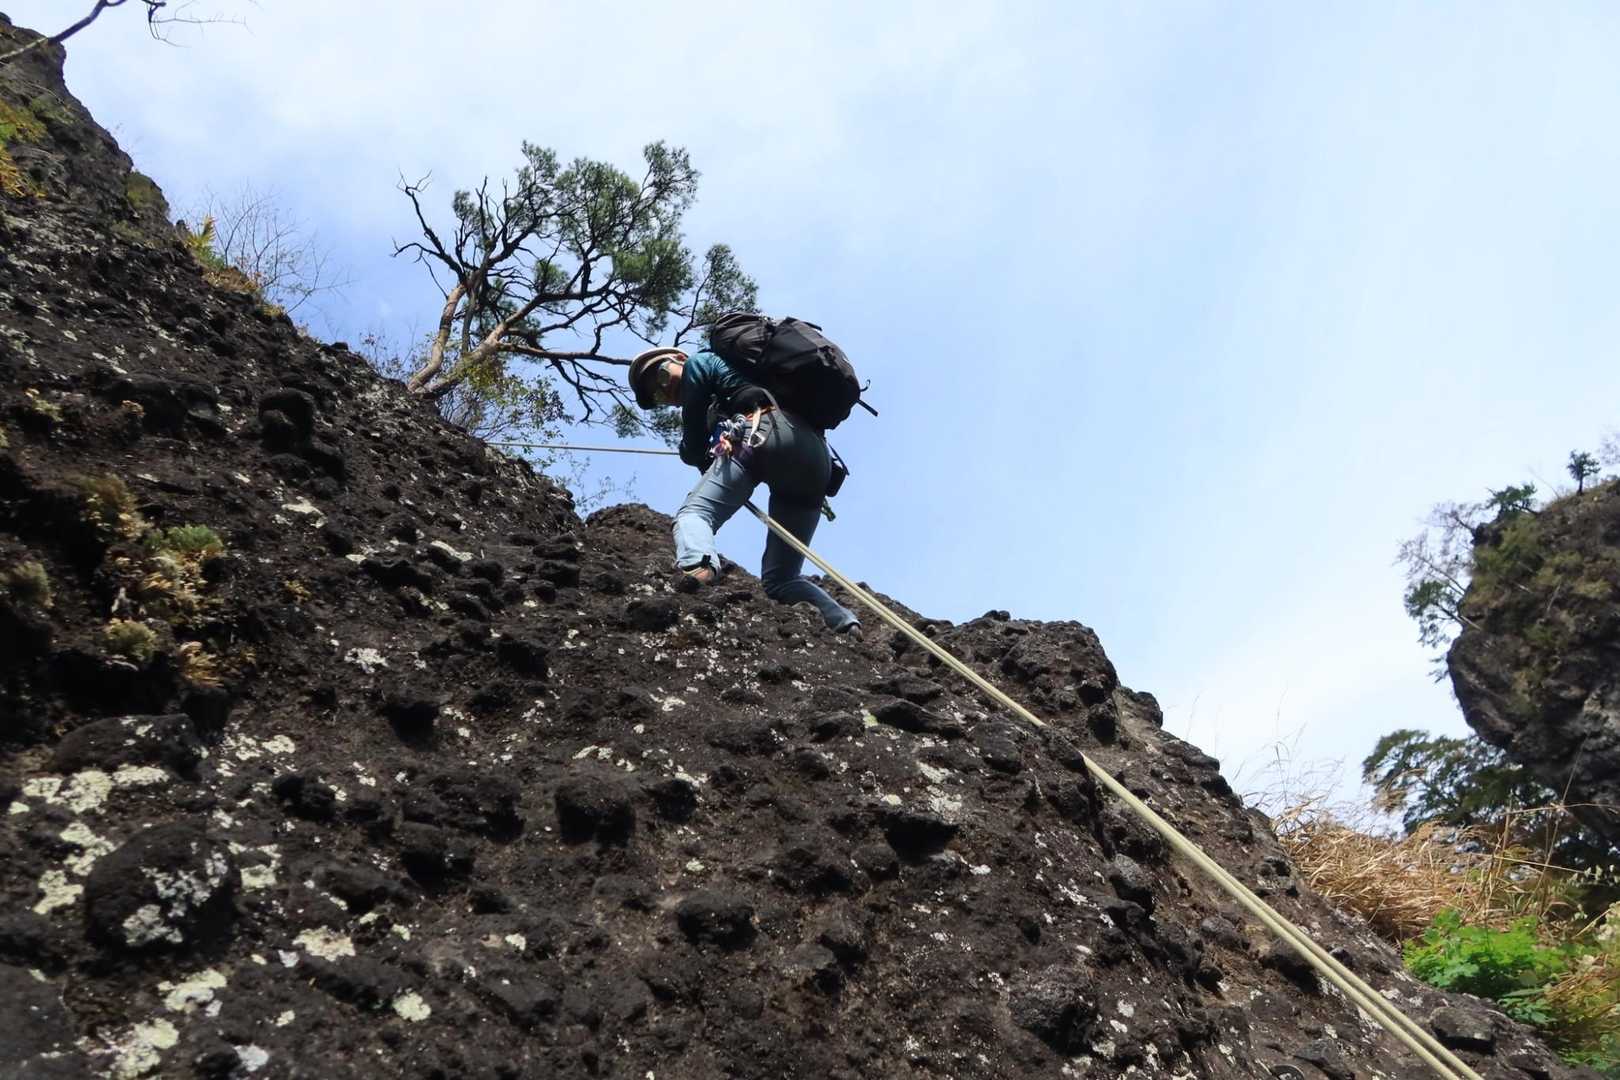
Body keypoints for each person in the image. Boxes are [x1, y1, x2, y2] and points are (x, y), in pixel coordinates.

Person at [629, 345, 861, 638]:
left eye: (661, 377)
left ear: (679, 358)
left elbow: (693, 445)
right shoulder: (741, 381)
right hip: (816, 461)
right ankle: (843, 623)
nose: (666, 391)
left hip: (765, 432)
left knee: (694, 514)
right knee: (781, 579)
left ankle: (697, 568)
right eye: (658, 397)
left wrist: (692, 452)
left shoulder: (700, 362)